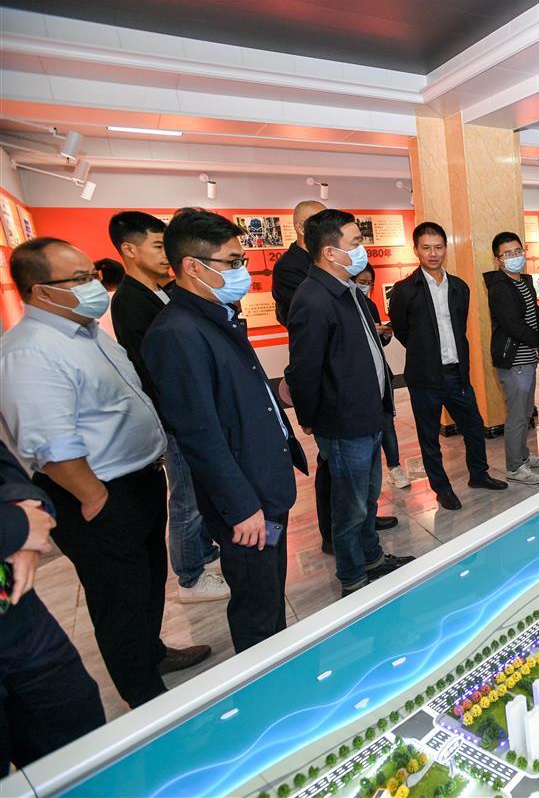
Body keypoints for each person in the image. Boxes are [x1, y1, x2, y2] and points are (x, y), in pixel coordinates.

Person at [0, 237, 210, 708]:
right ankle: (145, 698)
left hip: (138, 480)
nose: (94, 285)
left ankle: (153, 654)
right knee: (119, 600)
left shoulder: (89, 332)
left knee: (147, 583)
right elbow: (50, 445)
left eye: (92, 274)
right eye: (79, 279)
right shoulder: (29, 351)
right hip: (98, 495)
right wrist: (95, 498)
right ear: (41, 291)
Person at [142, 210, 308, 651]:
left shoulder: (216, 315)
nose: (242, 272)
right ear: (193, 266)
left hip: (264, 483)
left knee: (269, 589)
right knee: (256, 605)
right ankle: (265, 676)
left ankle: (278, 657)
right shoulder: (176, 333)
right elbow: (199, 434)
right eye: (232, 262)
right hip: (245, 501)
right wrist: (240, 507)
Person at [286, 210, 411, 595]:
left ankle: (371, 558)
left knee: (368, 499)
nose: (362, 249)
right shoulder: (313, 299)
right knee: (349, 508)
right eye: (355, 242)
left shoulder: (347, 289)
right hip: (344, 422)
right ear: (330, 251)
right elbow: (305, 370)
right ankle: (354, 579)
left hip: (368, 414)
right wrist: (310, 417)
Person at [109, 211, 228, 604]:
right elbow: (157, 370)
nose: (165, 254)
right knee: (186, 499)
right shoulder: (130, 300)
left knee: (198, 490)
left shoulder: (160, 292)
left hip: (186, 413)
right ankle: (190, 576)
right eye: (158, 246)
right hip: (174, 419)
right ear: (129, 250)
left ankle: (203, 552)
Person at [0, 440, 105, 776]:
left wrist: (27, 507)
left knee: (86, 754)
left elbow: (6, 470)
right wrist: (18, 527)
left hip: (21, 619)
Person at [388, 221, 507, 511]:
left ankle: (479, 475)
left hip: (456, 374)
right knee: (429, 437)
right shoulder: (404, 290)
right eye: (426, 247)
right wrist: (424, 350)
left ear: (446, 249)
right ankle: (441, 489)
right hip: (424, 377)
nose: (433, 253)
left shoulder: (459, 287)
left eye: (438, 247)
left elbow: (459, 326)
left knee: (474, 426)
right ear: (416, 250)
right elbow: (402, 331)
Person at [484, 232, 539, 486]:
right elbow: (513, 325)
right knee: (517, 415)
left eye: (518, 251)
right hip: (513, 360)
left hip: (527, 357)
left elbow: (533, 315)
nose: (515, 256)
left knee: (526, 411)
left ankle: (522, 455)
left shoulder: (525, 280)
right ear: (498, 259)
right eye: (508, 253)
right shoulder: (499, 287)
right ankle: (514, 466)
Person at [352, 264, 410, 491]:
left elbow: (380, 343)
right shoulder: (342, 306)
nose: (365, 287)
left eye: (369, 283)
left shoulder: (370, 305)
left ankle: (394, 467)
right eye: (361, 282)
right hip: (357, 377)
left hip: (381, 374)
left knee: (387, 422)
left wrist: (384, 334)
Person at [270, 200, 326, 325]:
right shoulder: (287, 267)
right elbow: (311, 308)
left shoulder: (327, 257)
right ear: (301, 228)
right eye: (319, 223)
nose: (327, 228)